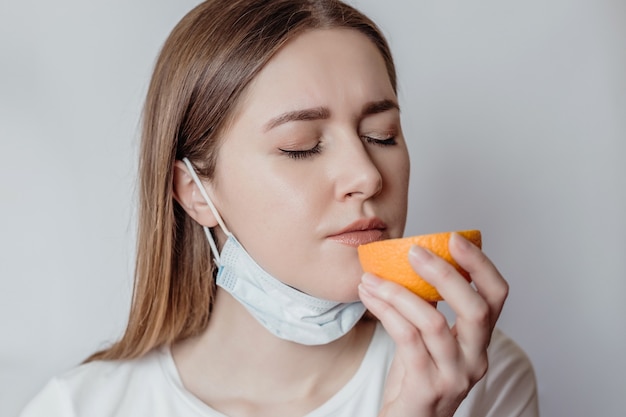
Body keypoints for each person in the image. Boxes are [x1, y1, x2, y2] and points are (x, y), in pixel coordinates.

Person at [19, 0, 539, 416]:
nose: (367, 175)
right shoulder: (79, 407)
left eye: (382, 136)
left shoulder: (481, 379)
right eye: (301, 145)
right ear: (195, 190)